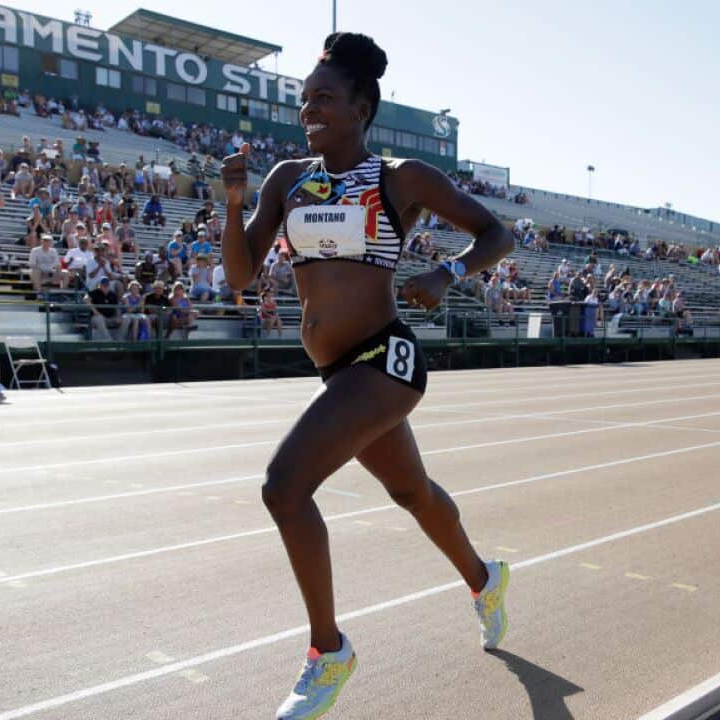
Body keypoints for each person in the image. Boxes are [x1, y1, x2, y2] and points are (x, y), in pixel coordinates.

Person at [219, 33, 513, 719]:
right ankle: (484, 578)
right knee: (413, 493)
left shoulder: (400, 177)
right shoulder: (287, 178)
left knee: (284, 487)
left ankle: (330, 651)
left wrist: (448, 272)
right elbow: (239, 275)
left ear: (361, 106)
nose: (307, 110)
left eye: (322, 97)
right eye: (303, 101)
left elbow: (496, 232)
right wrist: (233, 204)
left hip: (386, 358)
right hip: (337, 373)